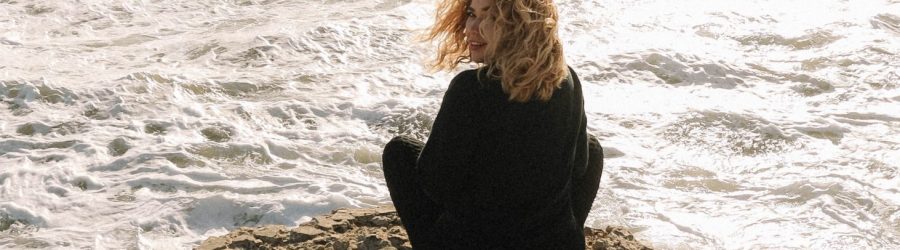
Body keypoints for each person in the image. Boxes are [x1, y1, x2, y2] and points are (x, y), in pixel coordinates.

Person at [381, 0, 603, 248]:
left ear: (519, 26)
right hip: (553, 241)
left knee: (399, 152)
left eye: (491, 18)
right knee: (591, 147)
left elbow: (436, 184)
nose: (471, 28)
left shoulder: (470, 88)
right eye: (471, 14)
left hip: (475, 242)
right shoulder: (567, 78)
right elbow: (580, 167)